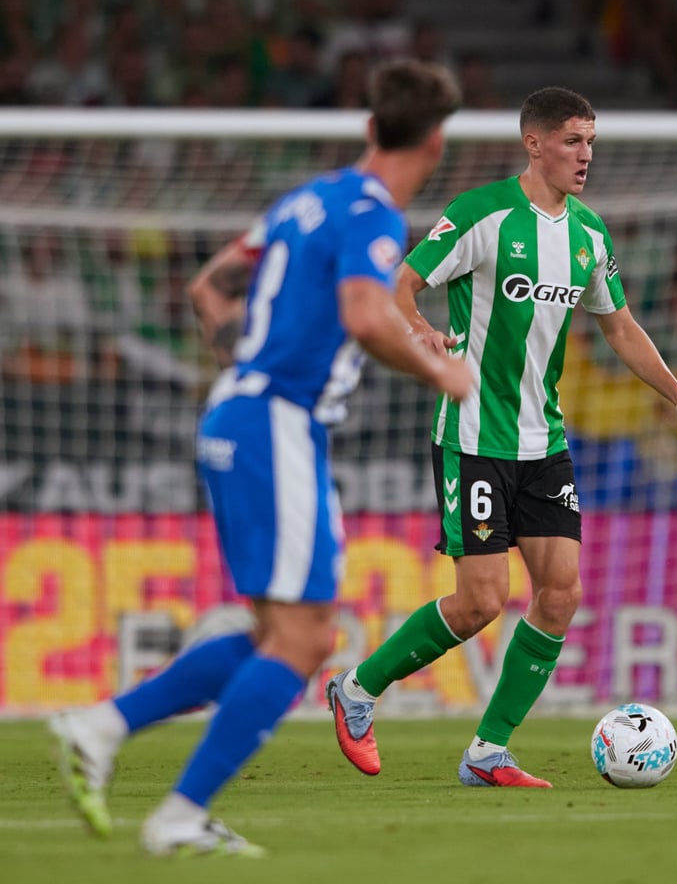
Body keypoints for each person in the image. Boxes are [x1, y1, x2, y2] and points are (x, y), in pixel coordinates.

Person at [48, 59, 472, 855]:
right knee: (306, 641)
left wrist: (242, 368)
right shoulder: (375, 217)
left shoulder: (305, 200)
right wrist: (441, 371)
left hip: (240, 413)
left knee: (281, 633)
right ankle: (176, 810)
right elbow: (362, 314)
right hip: (277, 422)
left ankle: (103, 727)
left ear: (370, 126)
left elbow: (210, 286)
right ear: (436, 144)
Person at [326, 85, 677, 788]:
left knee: (560, 594)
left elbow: (620, 327)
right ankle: (356, 689)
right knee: (481, 601)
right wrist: (420, 328)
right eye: (573, 140)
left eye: (591, 141)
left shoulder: (589, 235)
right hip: (474, 435)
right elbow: (400, 283)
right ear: (534, 143)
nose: (586, 155)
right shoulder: (481, 214)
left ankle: (489, 752)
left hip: (544, 442)